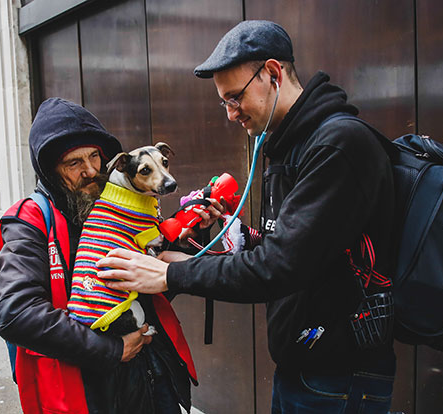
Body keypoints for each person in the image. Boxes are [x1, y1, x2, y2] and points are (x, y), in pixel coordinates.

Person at [97, 20, 396, 413]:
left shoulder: (337, 146)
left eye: (235, 98)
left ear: (272, 73)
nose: (230, 114)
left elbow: (279, 266)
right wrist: (235, 233)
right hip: (303, 364)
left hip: (339, 374)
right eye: (224, 102)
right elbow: (292, 248)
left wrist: (172, 274)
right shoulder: (287, 145)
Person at [0, 97, 195, 414]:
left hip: (153, 376)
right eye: (73, 163)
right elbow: (15, 313)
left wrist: (191, 237)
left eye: (95, 157)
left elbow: (150, 283)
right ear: (50, 171)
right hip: (89, 393)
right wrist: (110, 349)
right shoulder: (28, 222)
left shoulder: (117, 207)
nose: (90, 171)